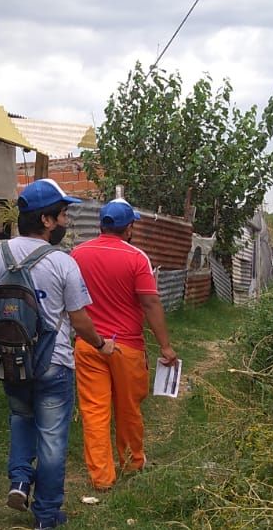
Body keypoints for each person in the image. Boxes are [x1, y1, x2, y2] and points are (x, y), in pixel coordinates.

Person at [0, 179, 115, 530]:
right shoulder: (62, 262)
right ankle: (47, 514)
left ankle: (20, 482)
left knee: (21, 419)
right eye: (64, 215)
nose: (67, 221)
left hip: (10, 360)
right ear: (47, 221)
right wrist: (101, 345)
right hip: (54, 363)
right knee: (52, 439)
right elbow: (80, 320)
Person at [70, 199, 178, 492]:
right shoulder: (137, 258)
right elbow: (150, 302)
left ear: (101, 224)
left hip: (89, 344)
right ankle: (132, 463)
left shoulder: (77, 254)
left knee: (94, 410)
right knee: (128, 407)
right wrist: (165, 346)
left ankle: (102, 478)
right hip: (126, 348)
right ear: (129, 227)